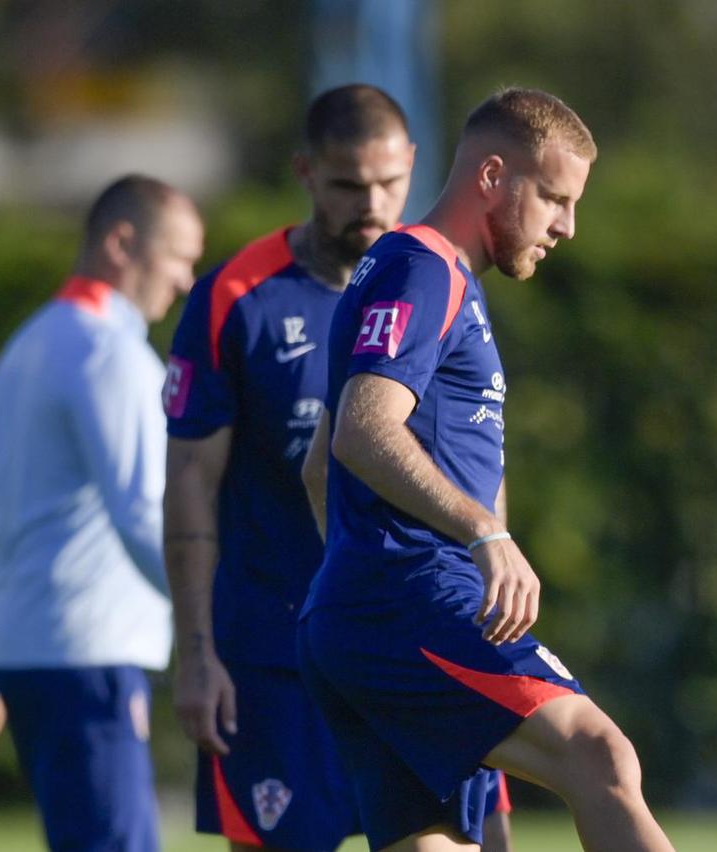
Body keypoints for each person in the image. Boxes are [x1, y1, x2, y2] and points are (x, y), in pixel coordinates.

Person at [297, 87, 675, 852]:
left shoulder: (429, 273)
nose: (567, 226)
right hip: (412, 601)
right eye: (556, 200)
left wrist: (350, 583)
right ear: (494, 176)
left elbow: (316, 460)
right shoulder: (423, 269)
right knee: (600, 756)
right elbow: (362, 432)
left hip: (371, 611)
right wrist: (483, 532)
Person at [161, 84, 514, 852]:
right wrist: (196, 655)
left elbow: (477, 451)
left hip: (417, 642)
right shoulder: (234, 296)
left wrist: (493, 570)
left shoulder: (440, 279)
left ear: (414, 165)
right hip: (273, 656)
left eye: (389, 182)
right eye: (349, 185)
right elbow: (190, 485)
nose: (374, 204)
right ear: (306, 172)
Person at [0, 174, 204, 852]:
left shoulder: (28, 345)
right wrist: (216, 617)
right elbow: (143, 514)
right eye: (178, 258)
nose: (186, 283)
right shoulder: (107, 354)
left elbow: (3, 529)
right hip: (89, 656)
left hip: (31, 651)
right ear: (122, 243)